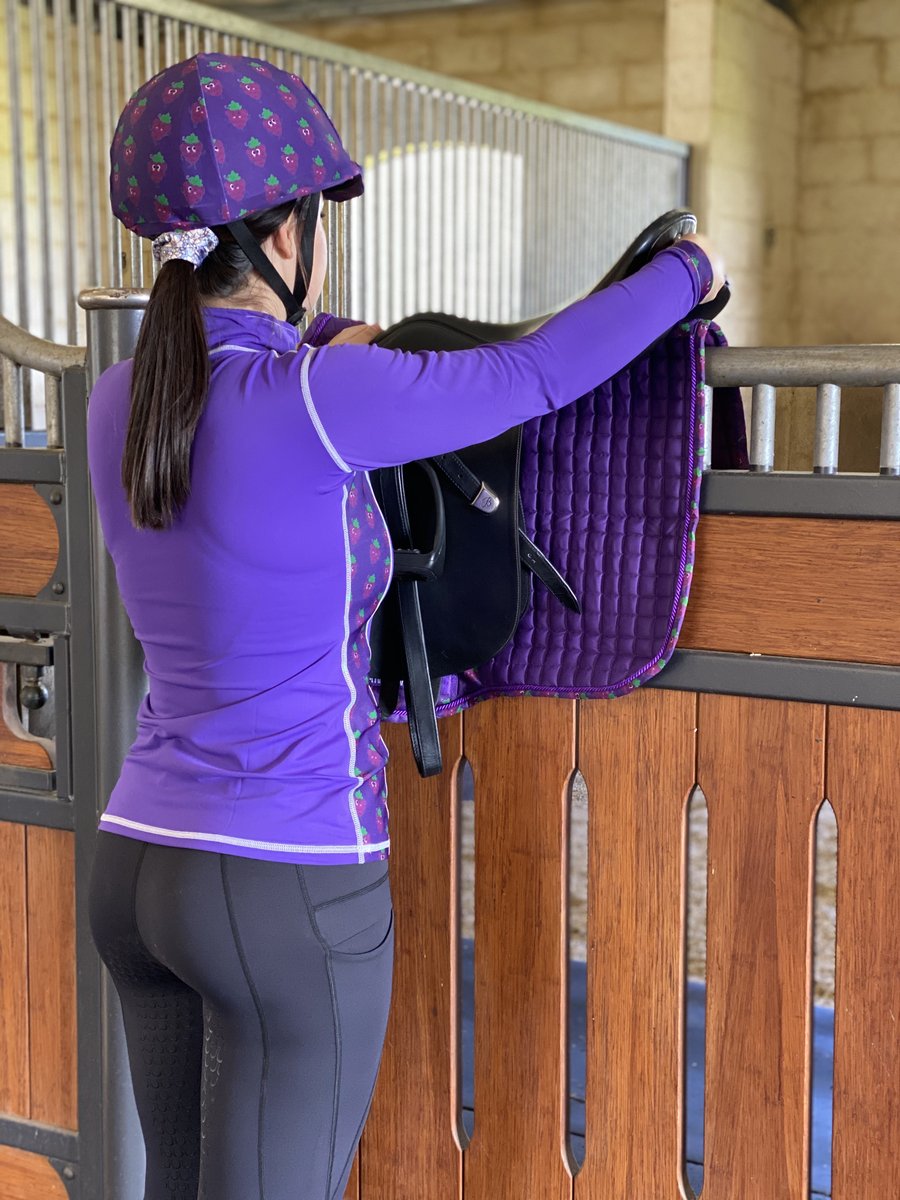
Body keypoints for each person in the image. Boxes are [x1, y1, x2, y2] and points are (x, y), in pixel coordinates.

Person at [86, 52, 726, 1200]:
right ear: (288, 238)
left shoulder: (120, 399)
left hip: (138, 865)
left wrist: (322, 339)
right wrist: (687, 272)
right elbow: (533, 375)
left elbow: (243, 383)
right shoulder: (321, 402)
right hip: (285, 875)